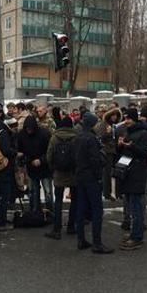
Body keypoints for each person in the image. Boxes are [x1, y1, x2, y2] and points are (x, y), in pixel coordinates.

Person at [74, 112, 114, 254]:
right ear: (92, 124)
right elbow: (95, 160)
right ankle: (97, 243)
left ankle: (81, 239)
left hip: (80, 176)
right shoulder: (91, 139)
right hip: (91, 177)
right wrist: (98, 176)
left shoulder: (78, 136)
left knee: (81, 208)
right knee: (97, 210)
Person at [116, 108, 147, 251]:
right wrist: (120, 146)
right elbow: (123, 152)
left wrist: (132, 146)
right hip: (127, 172)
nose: (126, 121)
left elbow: (145, 153)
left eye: (129, 118)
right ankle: (133, 233)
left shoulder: (144, 133)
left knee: (137, 206)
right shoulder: (127, 132)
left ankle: (137, 237)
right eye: (125, 118)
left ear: (134, 119)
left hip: (138, 173)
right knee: (131, 205)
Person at [45, 117, 78, 239]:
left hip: (59, 172)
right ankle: (71, 226)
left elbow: (49, 155)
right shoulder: (76, 137)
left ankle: (57, 229)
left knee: (58, 200)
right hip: (73, 173)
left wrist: (53, 168)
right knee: (74, 200)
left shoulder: (54, 137)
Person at [17, 115, 53, 214]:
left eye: (30, 129)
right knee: (33, 191)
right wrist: (26, 160)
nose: (29, 131)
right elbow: (20, 151)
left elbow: (50, 151)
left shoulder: (44, 134)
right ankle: (34, 211)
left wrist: (41, 160)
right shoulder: (22, 135)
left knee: (48, 192)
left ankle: (50, 212)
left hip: (44, 167)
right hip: (31, 166)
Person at [0, 107, 17, 232]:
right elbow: (6, 150)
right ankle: (1, 222)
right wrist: (16, 152)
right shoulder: (4, 133)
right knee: (4, 196)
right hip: (4, 168)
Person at [95, 107, 121, 200]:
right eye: (113, 115)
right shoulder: (104, 125)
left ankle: (107, 192)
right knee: (106, 173)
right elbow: (100, 138)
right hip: (106, 151)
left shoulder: (113, 125)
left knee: (108, 173)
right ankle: (106, 193)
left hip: (112, 151)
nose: (114, 117)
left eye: (116, 116)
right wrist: (108, 134)